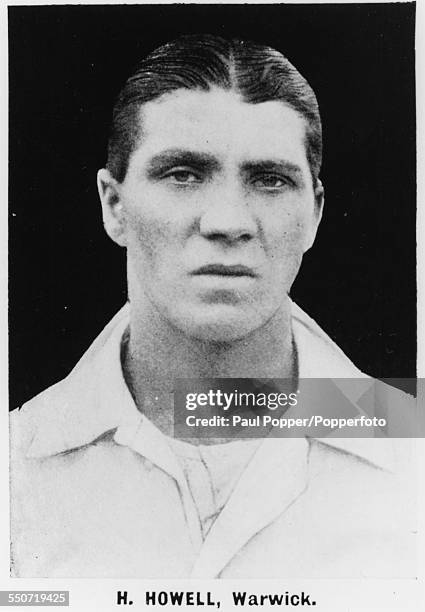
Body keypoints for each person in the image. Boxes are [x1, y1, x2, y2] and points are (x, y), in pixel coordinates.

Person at [10, 34, 415, 578]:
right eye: (183, 174)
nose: (228, 221)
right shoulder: (16, 466)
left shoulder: (410, 455)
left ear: (315, 215)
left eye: (270, 180)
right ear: (114, 205)